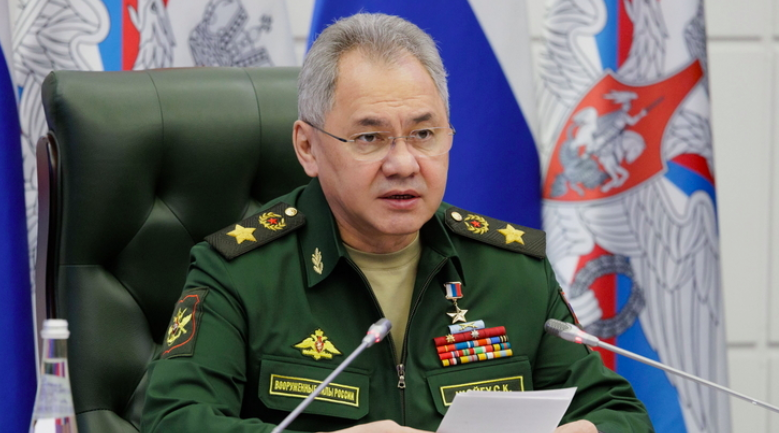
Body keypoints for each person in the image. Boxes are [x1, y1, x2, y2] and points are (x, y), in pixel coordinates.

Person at [141, 13, 654, 433]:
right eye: (370, 138)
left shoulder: (511, 269)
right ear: (307, 147)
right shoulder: (239, 272)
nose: (404, 163)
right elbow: (173, 421)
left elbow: (620, 416)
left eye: (424, 134)